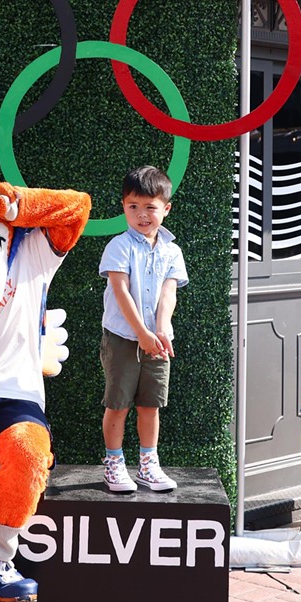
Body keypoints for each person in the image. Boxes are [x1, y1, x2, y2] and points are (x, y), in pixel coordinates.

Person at [98, 165, 189, 493]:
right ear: (124, 206)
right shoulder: (119, 246)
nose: (142, 214)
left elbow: (169, 292)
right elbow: (121, 292)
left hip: (158, 342)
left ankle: (148, 466)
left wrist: (160, 331)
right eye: (133, 206)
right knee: (118, 404)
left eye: (150, 207)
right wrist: (142, 333)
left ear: (166, 209)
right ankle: (114, 464)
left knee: (150, 405)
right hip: (123, 338)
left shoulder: (171, 251)